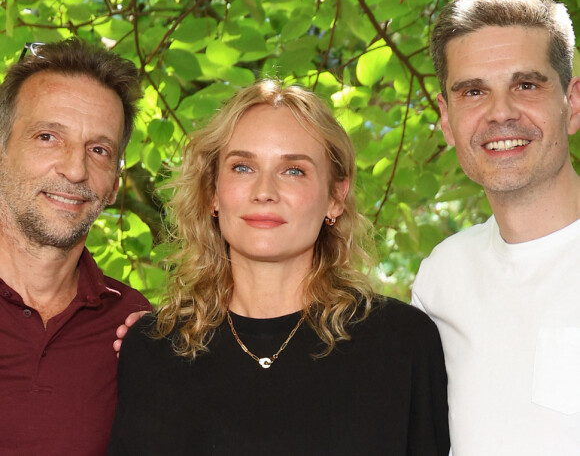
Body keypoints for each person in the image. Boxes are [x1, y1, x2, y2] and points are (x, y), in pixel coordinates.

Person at [108, 80, 450, 455]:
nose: (264, 190)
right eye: (242, 167)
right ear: (212, 193)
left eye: (293, 171)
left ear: (336, 197)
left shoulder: (403, 344)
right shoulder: (152, 349)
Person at [412, 0, 580, 455]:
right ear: (446, 119)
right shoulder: (442, 277)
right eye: (473, 91)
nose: (500, 112)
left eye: (526, 85)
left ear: (573, 103)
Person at [0, 39, 152, 455]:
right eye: (48, 136)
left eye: (99, 150)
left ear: (115, 182)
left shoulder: (135, 330)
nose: (75, 168)